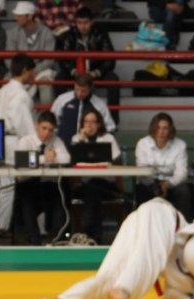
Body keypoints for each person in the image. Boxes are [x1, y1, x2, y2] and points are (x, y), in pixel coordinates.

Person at [40, 197, 183, 299]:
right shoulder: (191, 241)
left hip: (138, 217)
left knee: (108, 276)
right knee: (148, 257)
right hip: (161, 213)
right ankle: (124, 289)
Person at [0, 53, 37, 234]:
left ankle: (1, 228)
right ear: (25, 70)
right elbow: (23, 124)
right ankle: (6, 229)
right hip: (18, 142)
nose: (34, 75)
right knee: (28, 184)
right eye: (32, 71)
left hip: (0, 141)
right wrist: (36, 145)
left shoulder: (2, 91)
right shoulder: (21, 95)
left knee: (4, 186)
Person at [54, 8, 119, 122]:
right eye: (79, 23)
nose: (82, 26)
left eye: (86, 23)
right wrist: (73, 71)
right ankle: (62, 119)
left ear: (92, 22)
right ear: (75, 23)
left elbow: (110, 59)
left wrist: (96, 72)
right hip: (75, 73)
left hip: (95, 72)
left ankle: (113, 120)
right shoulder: (69, 35)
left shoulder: (101, 33)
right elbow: (62, 59)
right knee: (59, 78)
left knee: (113, 79)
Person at [15, 111, 71, 244]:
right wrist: (43, 158)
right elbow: (21, 161)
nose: (47, 133)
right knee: (27, 198)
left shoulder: (56, 140)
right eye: (44, 128)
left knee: (62, 196)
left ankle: (56, 239)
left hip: (49, 185)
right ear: (37, 126)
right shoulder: (25, 141)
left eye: (51, 130)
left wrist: (50, 157)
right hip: (28, 184)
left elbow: (66, 158)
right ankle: (33, 241)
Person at [70, 108, 122, 243]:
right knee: (92, 188)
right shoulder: (76, 139)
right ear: (82, 124)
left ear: (99, 124)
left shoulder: (108, 138)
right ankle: (95, 237)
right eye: (86, 121)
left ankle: (88, 232)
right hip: (84, 186)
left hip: (106, 185)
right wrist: (81, 140)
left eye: (93, 122)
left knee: (94, 186)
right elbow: (72, 163)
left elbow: (117, 162)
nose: (89, 125)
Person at [135, 112, 194, 221]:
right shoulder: (143, 144)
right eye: (158, 128)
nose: (161, 132)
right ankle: (145, 225)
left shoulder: (180, 145)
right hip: (150, 183)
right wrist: (157, 186)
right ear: (153, 128)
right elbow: (142, 171)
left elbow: (181, 173)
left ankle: (182, 226)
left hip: (172, 184)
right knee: (141, 190)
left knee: (184, 191)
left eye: (165, 128)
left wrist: (167, 184)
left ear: (170, 130)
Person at [6, 1, 55, 104]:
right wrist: (20, 71)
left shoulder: (46, 33)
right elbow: (8, 57)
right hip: (19, 71)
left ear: (29, 16)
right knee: (6, 80)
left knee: (45, 83)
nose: (16, 18)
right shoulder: (13, 33)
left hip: (40, 70)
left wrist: (34, 71)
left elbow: (49, 59)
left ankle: (46, 113)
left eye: (20, 16)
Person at [51, 73, 116, 145]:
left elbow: (110, 128)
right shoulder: (62, 99)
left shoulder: (100, 105)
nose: (79, 93)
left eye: (83, 91)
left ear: (90, 89)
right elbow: (51, 121)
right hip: (63, 145)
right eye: (77, 89)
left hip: (89, 147)